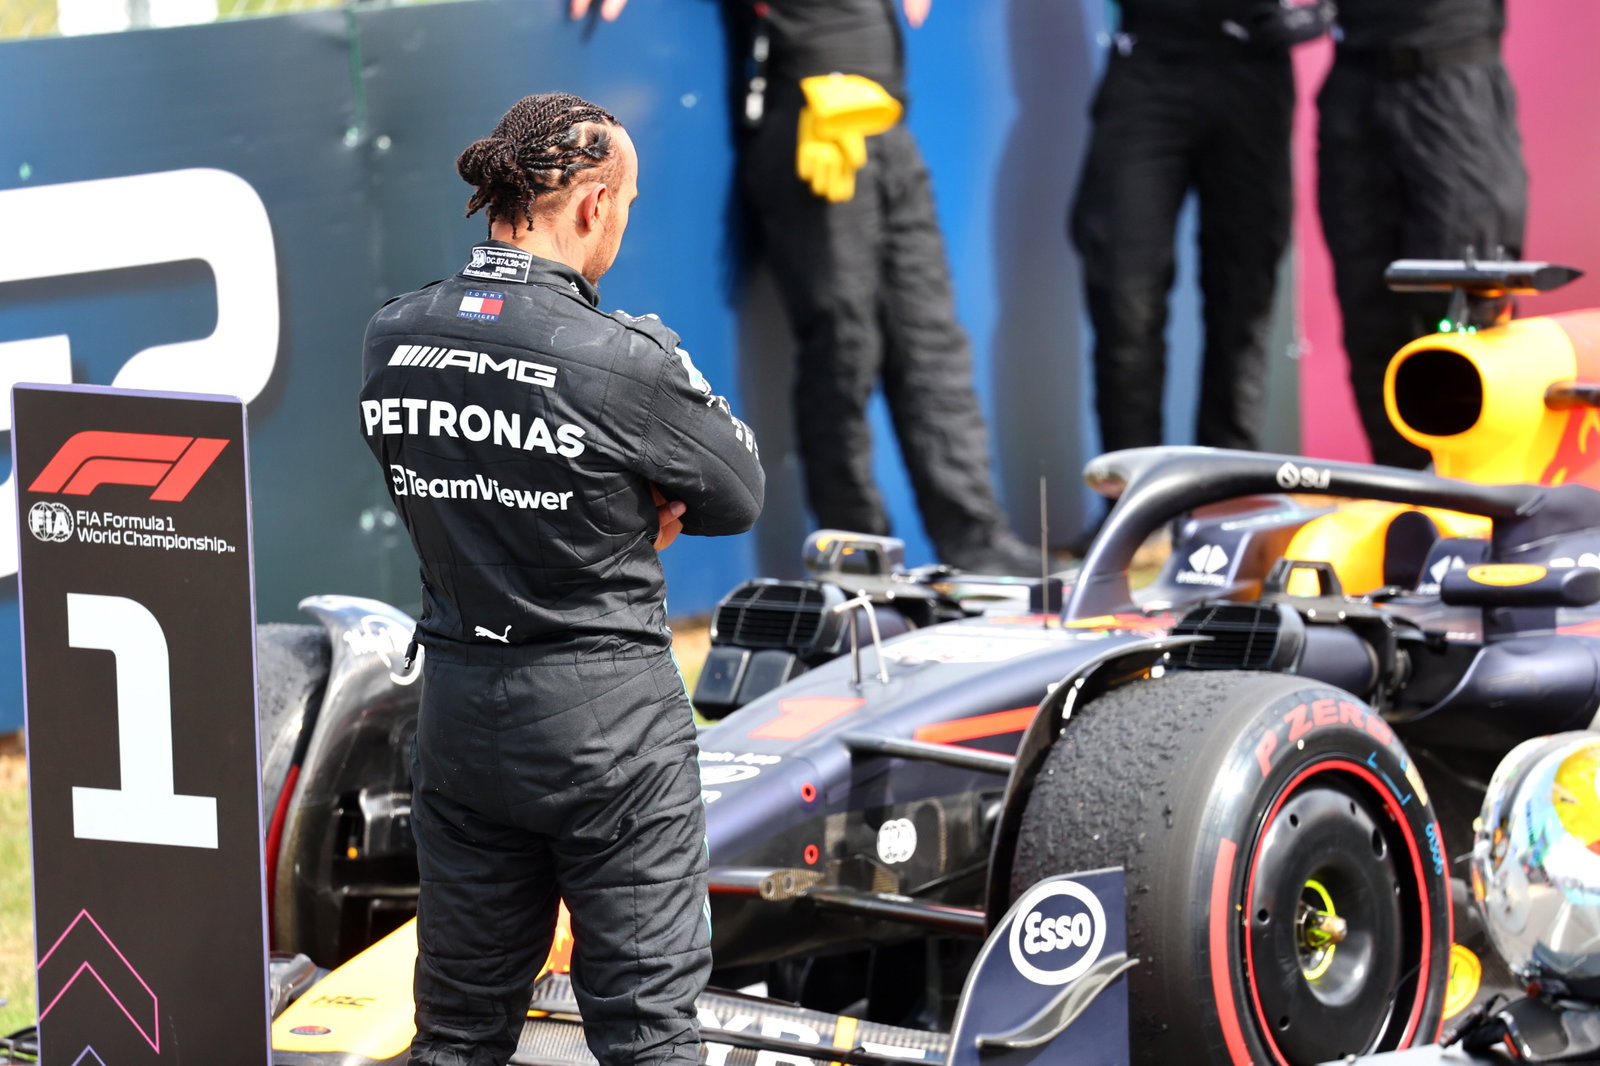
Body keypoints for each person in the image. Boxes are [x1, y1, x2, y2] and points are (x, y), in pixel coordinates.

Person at [358, 92, 765, 1066]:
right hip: (608, 729)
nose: (624, 222)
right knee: (648, 1035)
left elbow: (448, 482)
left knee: (456, 1035)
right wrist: (620, 505)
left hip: (460, 719)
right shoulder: (624, 360)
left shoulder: (391, 334)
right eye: (628, 203)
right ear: (593, 203)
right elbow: (737, 491)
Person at [573, 0, 1038, 575]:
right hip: (814, 132)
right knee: (844, 350)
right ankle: (859, 559)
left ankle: (978, 545)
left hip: (885, 127)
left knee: (932, 343)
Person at [1072, 1, 1331, 467]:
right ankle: (1134, 492)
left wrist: (1329, 11)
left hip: (1253, 63)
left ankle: (1226, 491)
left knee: (1243, 298)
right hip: (1149, 60)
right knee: (1123, 295)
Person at [1318, 0, 1525, 469]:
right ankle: (1403, 486)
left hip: (1452, 74)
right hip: (1355, 83)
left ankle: (1476, 486)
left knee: (1464, 297)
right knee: (1369, 304)